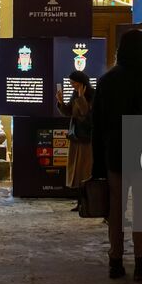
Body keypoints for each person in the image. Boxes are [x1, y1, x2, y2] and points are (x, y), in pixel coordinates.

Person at [90, 27, 142, 281]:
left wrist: (97, 163)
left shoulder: (107, 80)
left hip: (116, 151)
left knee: (116, 208)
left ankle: (115, 260)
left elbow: (98, 125)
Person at [56, 70, 94, 210]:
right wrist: (60, 102)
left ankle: (88, 202)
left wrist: (81, 97)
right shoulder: (75, 94)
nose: (72, 85)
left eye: (74, 83)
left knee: (85, 170)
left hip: (86, 138)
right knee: (76, 171)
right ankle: (80, 202)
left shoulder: (91, 94)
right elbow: (69, 113)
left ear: (81, 82)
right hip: (76, 137)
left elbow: (87, 115)